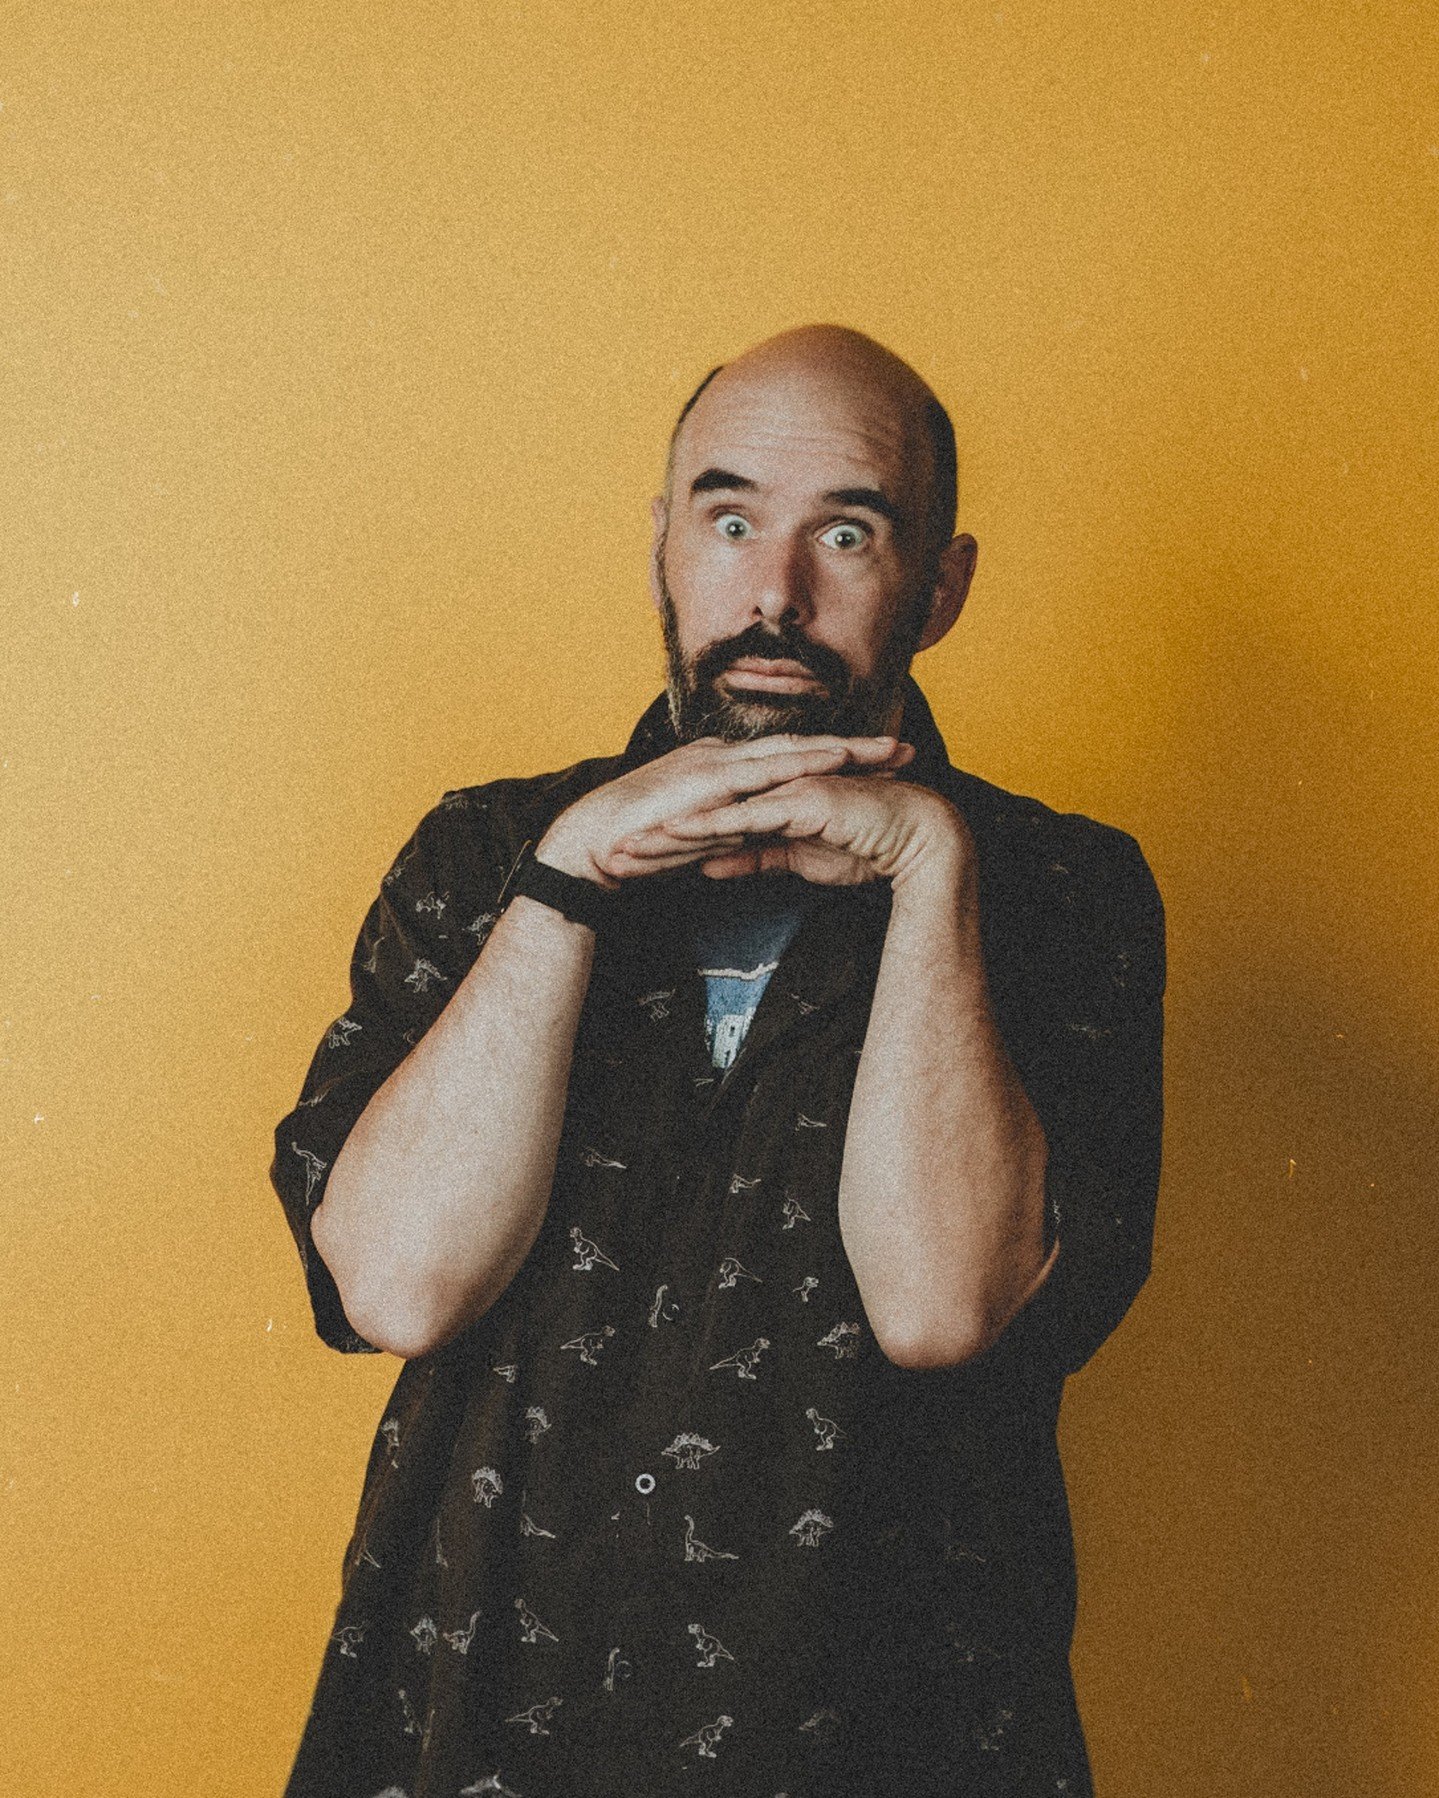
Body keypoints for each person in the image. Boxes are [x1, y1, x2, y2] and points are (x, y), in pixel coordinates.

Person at [269, 324, 1166, 1798]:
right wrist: (564, 887)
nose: (774, 594)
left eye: (850, 534)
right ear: (664, 548)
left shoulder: (1062, 892)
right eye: (731, 518)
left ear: (940, 588)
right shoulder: (487, 854)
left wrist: (932, 875)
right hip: (472, 1737)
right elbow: (398, 1280)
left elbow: (942, 1304)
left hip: (893, 1744)